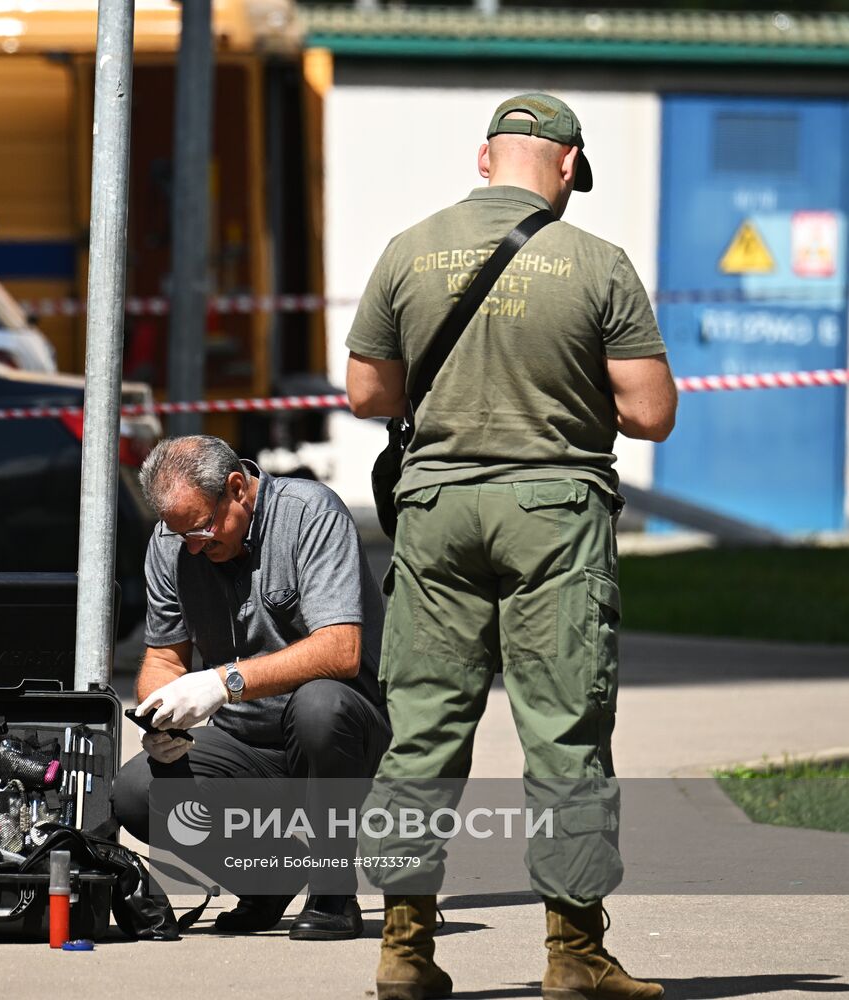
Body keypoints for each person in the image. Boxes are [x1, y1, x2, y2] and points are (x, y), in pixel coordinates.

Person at [344, 93, 677, 1000]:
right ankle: (575, 959)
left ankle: (404, 954)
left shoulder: (407, 250)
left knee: (420, 732)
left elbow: (368, 397)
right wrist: (562, 397)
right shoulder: (597, 262)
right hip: (553, 516)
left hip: (437, 511)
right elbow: (650, 413)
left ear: (485, 157)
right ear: (566, 167)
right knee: (565, 734)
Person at [111, 434, 390, 941]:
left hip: (339, 736)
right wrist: (159, 712)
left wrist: (224, 682)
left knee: (318, 707)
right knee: (136, 792)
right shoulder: (172, 542)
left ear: (237, 488)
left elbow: (341, 650)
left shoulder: (309, 513)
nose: (195, 546)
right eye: (182, 536)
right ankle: (266, 879)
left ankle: (332, 892)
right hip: (244, 742)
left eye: (203, 529)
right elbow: (163, 657)